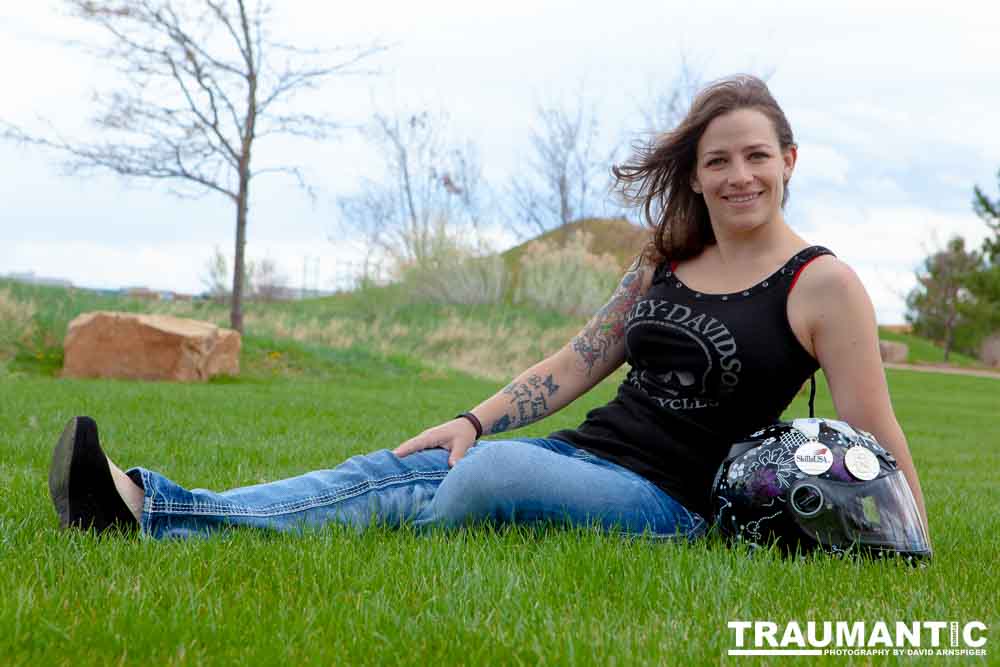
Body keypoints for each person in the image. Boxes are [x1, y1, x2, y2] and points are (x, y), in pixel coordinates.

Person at [49, 74, 930, 545]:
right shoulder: (663, 261)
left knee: (487, 479)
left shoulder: (824, 284)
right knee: (412, 459)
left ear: (790, 160)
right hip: (586, 457)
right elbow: (576, 364)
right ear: (695, 173)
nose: (738, 176)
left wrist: (914, 544)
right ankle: (151, 505)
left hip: (674, 506)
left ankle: (163, 512)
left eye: (755, 157)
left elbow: (876, 433)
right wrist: (472, 416)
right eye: (717, 161)